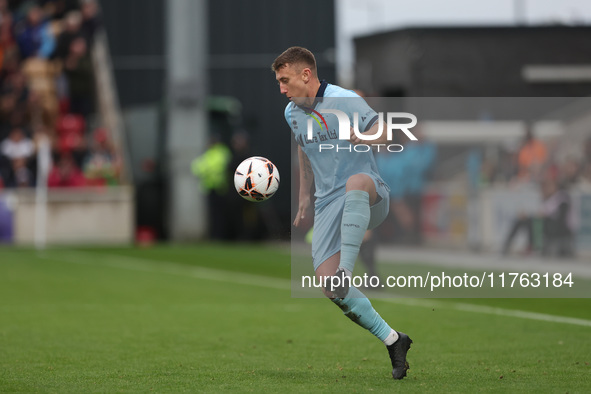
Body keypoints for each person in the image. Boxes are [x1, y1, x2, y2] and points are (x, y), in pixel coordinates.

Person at [272, 46, 412, 380]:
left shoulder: (345, 100)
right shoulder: (292, 113)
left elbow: (386, 131)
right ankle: (394, 340)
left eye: (284, 80)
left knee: (355, 181)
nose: (281, 88)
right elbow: (304, 151)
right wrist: (305, 196)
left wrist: (363, 135)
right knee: (330, 289)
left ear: (306, 74)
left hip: (370, 194)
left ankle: (347, 270)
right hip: (327, 205)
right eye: (279, 82)